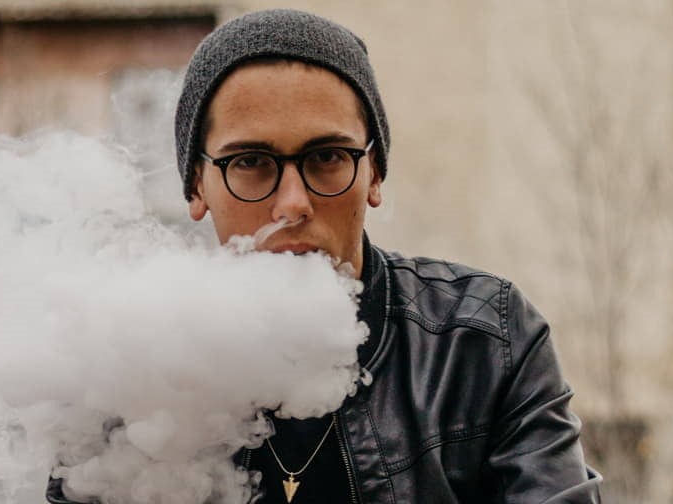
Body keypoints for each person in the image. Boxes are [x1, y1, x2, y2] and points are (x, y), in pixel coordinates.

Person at [48, 8, 602, 503]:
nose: (292, 203)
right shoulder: (127, 369)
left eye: (328, 157)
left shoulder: (484, 343)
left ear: (375, 174)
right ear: (196, 186)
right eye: (250, 163)